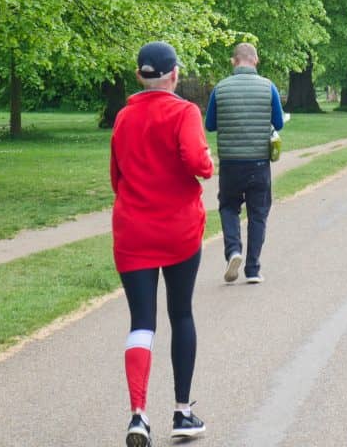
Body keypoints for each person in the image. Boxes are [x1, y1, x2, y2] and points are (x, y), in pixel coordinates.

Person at [110, 41, 213, 445]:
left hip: (133, 231)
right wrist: (206, 161)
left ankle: (138, 414)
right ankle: (182, 412)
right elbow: (198, 163)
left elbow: (116, 176)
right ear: (174, 74)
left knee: (141, 322)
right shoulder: (184, 111)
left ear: (140, 75)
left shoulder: (123, 117)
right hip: (178, 231)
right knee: (181, 313)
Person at [205, 42, 285, 285]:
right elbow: (278, 123)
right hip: (259, 163)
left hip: (230, 162)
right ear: (256, 60)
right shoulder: (268, 87)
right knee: (258, 214)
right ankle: (253, 269)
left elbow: (210, 125)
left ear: (233, 61)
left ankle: (233, 250)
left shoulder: (220, 88)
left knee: (229, 207)